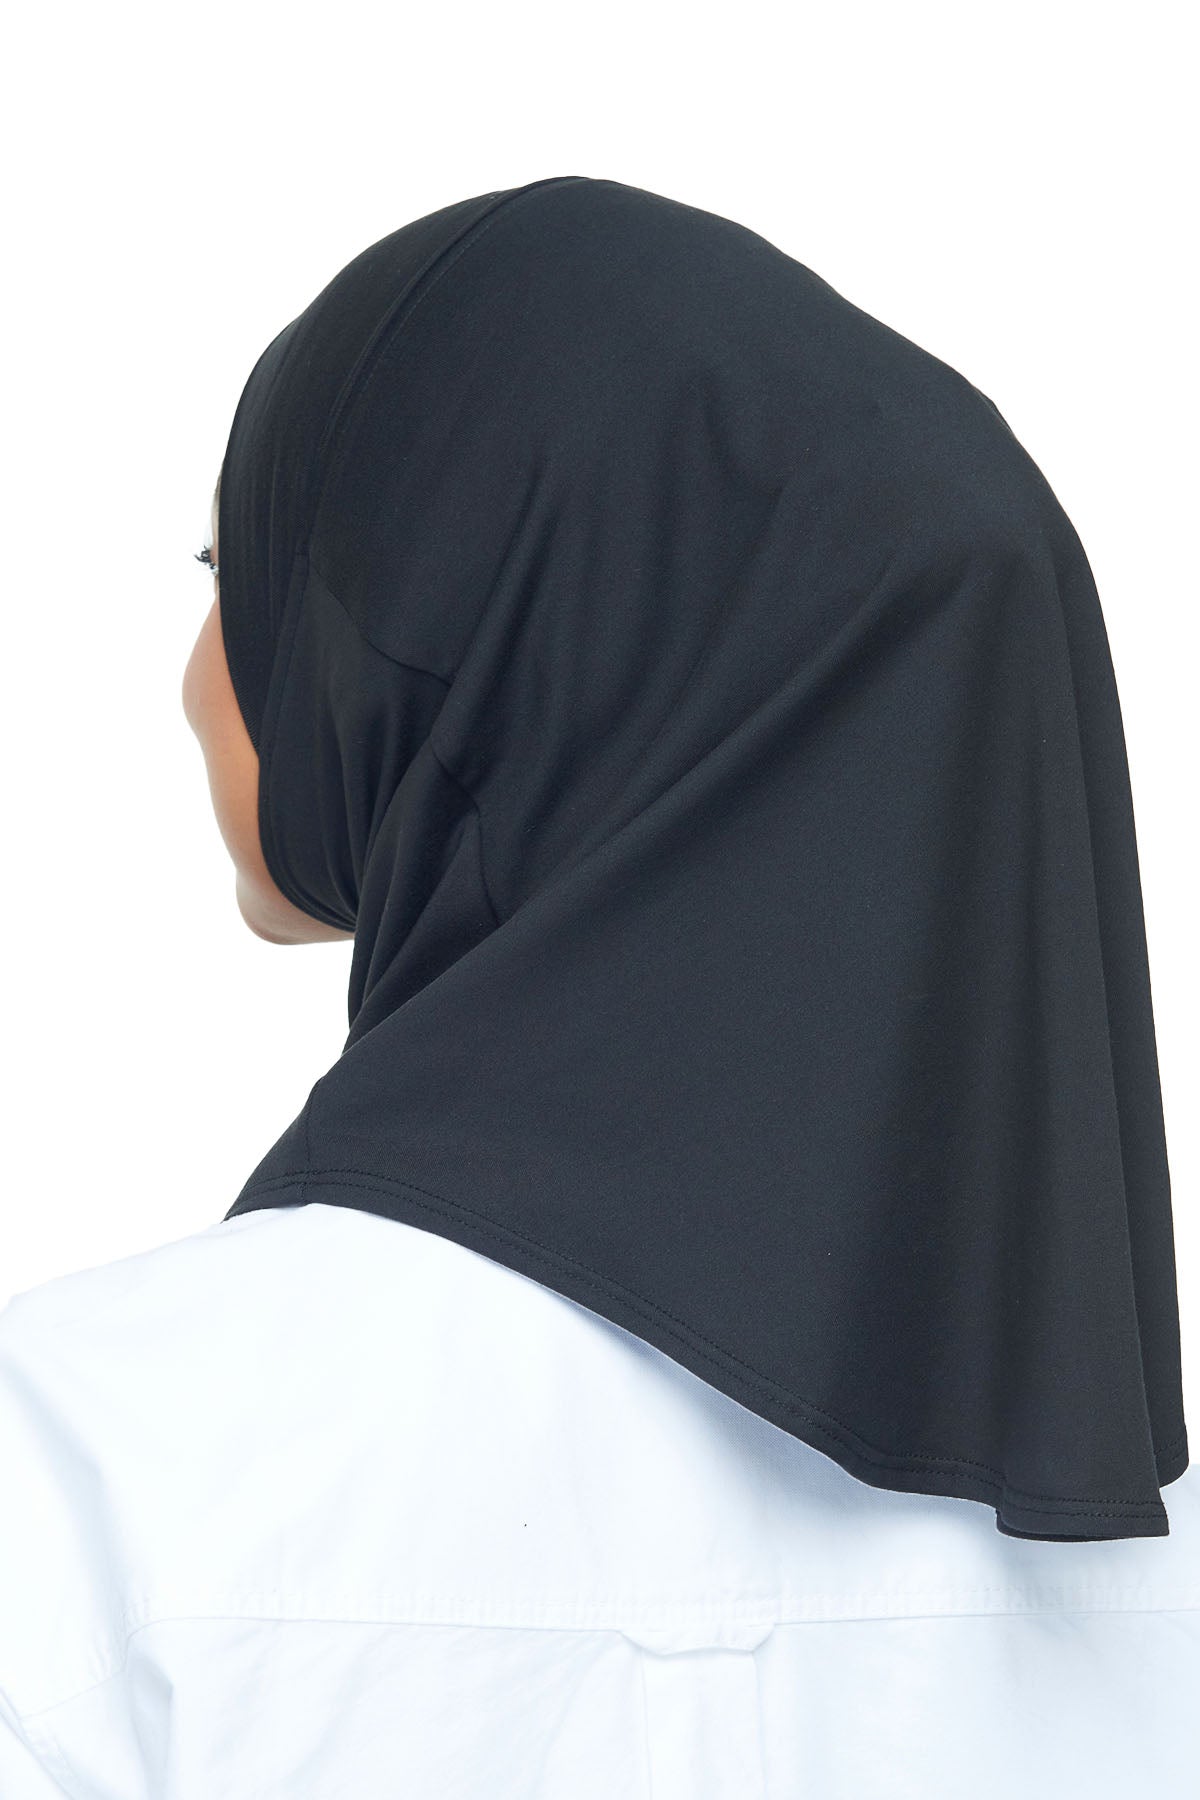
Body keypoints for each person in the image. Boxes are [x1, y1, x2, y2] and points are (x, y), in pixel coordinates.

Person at [1, 174, 1196, 1798]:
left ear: (457, 638)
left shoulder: (88, 1465)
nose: (195, 675)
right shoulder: (1151, 1555)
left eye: (240, 566)